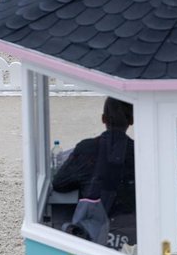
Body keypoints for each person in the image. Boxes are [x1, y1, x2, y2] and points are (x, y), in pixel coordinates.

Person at [53, 98, 135, 246]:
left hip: (93, 236)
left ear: (103, 119)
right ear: (132, 120)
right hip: (131, 234)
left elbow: (59, 183)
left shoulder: (87, 148)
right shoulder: (138, 151)